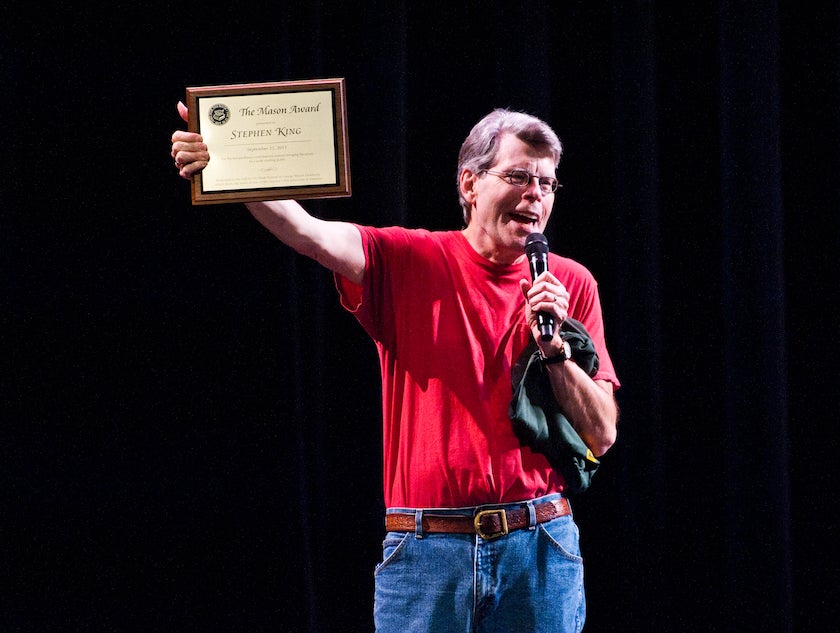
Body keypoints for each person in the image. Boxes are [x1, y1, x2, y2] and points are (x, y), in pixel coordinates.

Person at [171, 103, 620, 632]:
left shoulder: (570, 284)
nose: (536, 194)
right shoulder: (410, 260)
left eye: (547, 183)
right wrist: (225, 165)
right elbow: (307, 231)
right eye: (520, 176)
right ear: (470, 184)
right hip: (428, 552)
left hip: (539, 547)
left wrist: (554, 349)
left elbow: (602, 432)